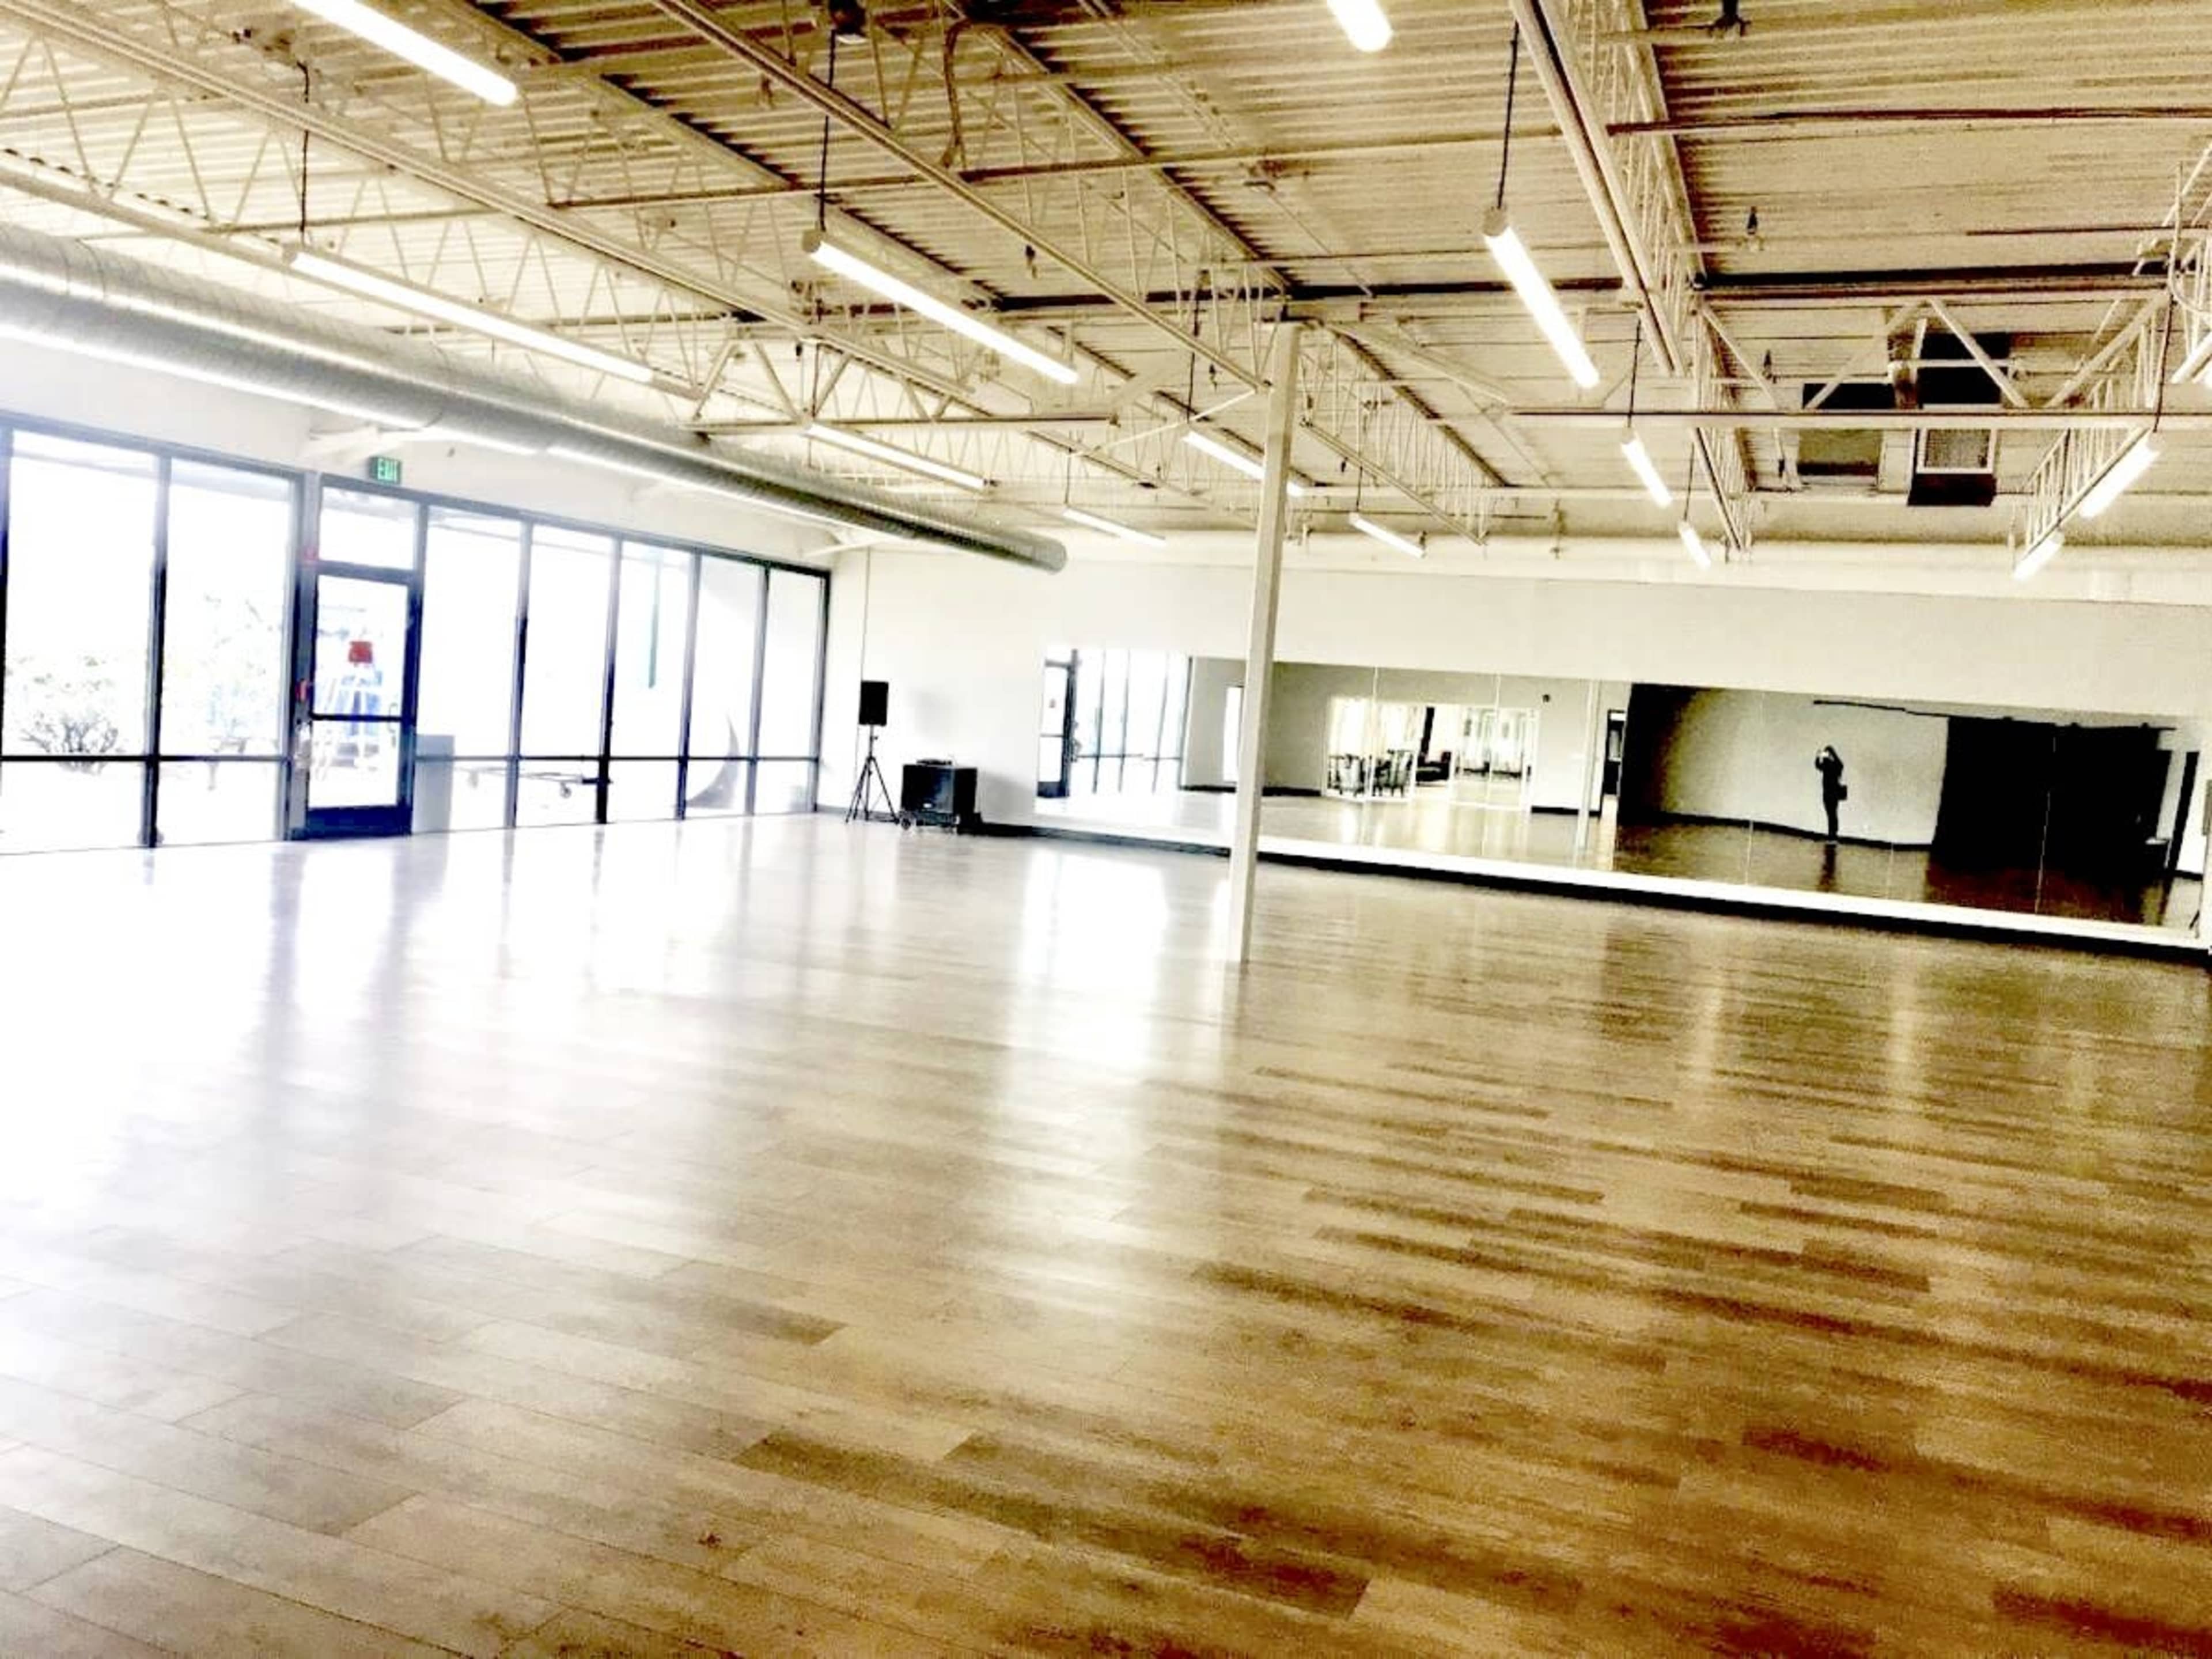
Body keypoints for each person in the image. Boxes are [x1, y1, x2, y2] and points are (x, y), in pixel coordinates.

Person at [1815, 745, 1847, 840]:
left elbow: (1840, 765)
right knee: (1831, 814)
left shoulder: (1835, 765)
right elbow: (1818, 766)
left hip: (1832, 793)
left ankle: (1833, 834)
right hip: (1828, 793)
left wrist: (1824, 757)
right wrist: (1818, 757)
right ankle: (1832, 833)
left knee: (1832, 814)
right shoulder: (1827, 765)